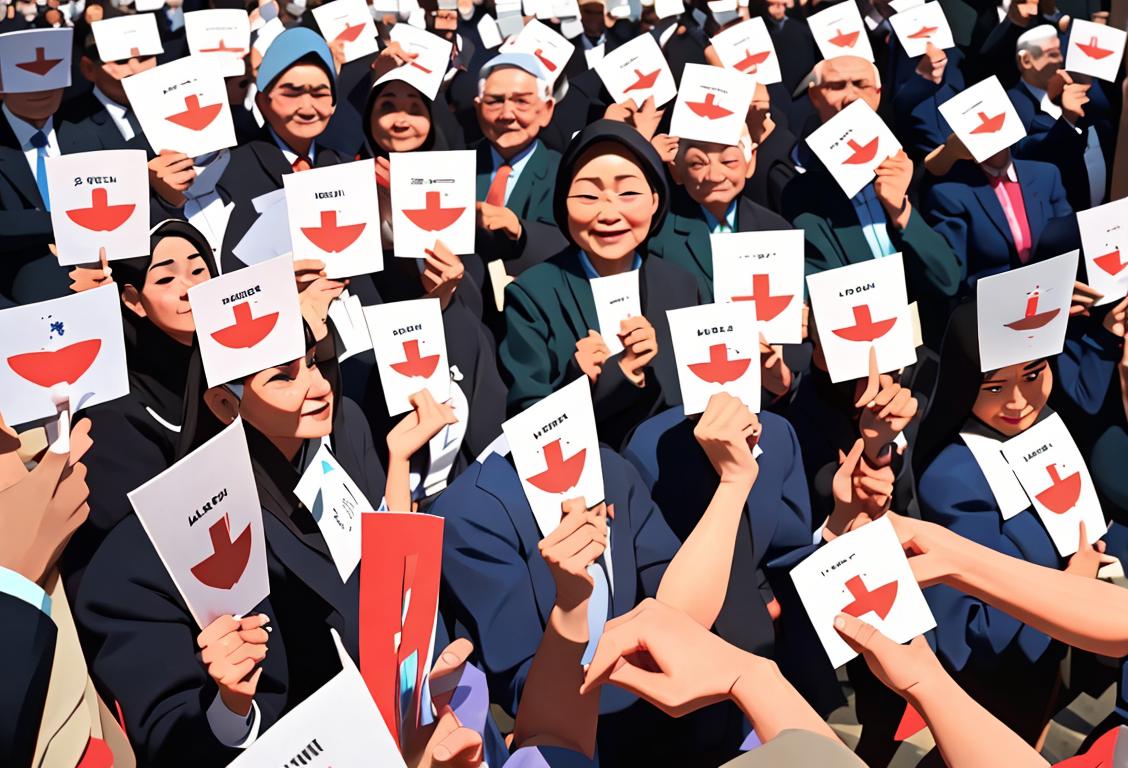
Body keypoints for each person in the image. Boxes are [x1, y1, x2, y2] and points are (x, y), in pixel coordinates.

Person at [73, 324, 453, 764]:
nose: (318, 385)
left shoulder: (342, 450)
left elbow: (385, 593)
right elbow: (169, 735)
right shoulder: (146, 551)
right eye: (284, 377)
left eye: (312, 362)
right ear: (222, 402)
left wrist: (399, 466)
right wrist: (229, 706)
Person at [432, 386, 762, 766]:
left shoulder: (610, 470)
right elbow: (522, 684)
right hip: (572, 740)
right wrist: (571, 603)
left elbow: (678, 614)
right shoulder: (471, 513)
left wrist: (733, 485)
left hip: (660, 719)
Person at [910, 301, 1108, 751]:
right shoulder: (953, 476)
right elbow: (980, 630)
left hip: (1047, 663)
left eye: (1034, 376)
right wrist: (1072, 587)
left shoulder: (1048, 431)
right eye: (994, 386)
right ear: (964, 387)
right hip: (995, 685)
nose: (1018, 402)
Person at [499, 120, 699, 448]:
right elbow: (526, 418)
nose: (608, 213)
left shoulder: (680, 284)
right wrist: (585, 379)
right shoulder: (533, 293)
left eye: (629, 193)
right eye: (589, 195)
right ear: (563, 202)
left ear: (655, 199)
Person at [63, 221, 217, 596]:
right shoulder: (112, 412)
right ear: (133, 300)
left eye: (199, 271)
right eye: (165, 281)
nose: (189, 290)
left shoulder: (243, 373)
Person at [780, 56, 961, 344]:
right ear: (815, 96)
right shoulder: (799, 190)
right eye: (837, 86)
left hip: (927, 341)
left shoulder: (907, 168)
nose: (851, 96)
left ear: (877, 95)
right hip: (859, 345)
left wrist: (901, 211)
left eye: (861, 85)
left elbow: (947, 278)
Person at [218, 27, 343, 273]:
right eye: (292, 93)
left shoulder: (346, 168)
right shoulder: (229, 171)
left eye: (320, 94)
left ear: (334, 104)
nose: (307, 108)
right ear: (262, 101)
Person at [472, 53, 566, 322]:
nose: (507, 114)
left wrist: (521, 230)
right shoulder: (454, 168)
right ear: (478, 108)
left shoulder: (565, 172)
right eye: (495, 101)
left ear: (546, 110)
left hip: (538, 314)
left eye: (521, 101)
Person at [647, 134, 794, 302]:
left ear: (750, 160)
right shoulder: (661, 238)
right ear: (676, 169)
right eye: (697, 163)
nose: (715, 176)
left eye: (728, 161)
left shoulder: (776, 230)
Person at [923, 141, 1072, 290]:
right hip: (991, 299)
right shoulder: (950, 193)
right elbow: (952, 271)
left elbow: (1067, 241)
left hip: (1049, 287)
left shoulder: (1046, 174)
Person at [1007, 24, 1113, 212]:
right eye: (1052, 54)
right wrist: (1068, 119)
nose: (1061, 60)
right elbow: (1027, 155)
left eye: (1061, 52)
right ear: (1026, 60)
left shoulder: (1088, 101)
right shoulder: (1013, 105)